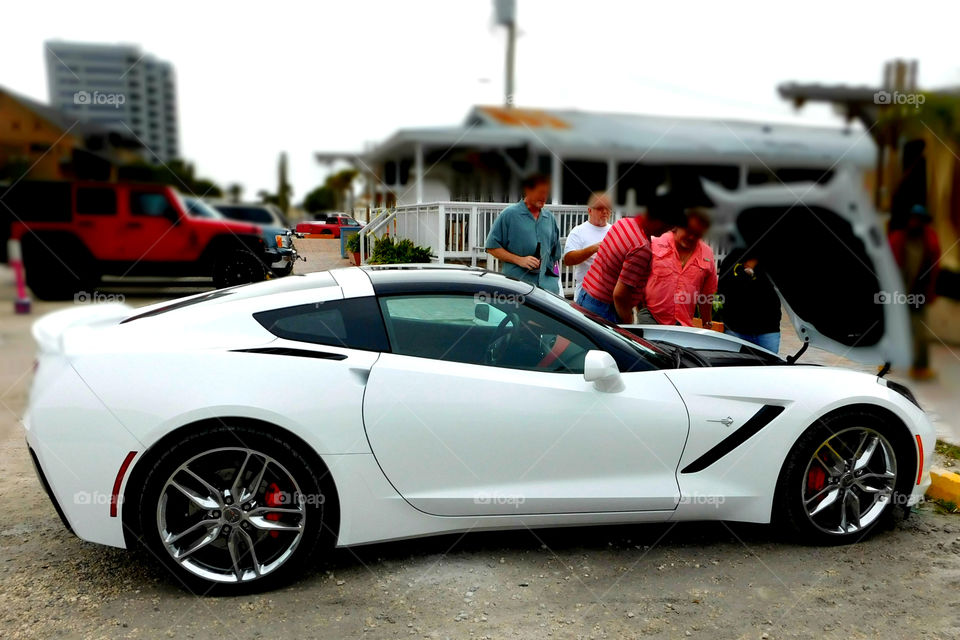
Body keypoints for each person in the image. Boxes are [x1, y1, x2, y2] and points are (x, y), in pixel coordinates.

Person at [576, 205, 679, 323]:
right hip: (604, 309)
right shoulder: (641, 247)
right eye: (668, 225)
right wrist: (629, 322)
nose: (667, 230)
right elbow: (620, 296)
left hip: (585, 296)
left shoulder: (624, 223)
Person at [485, 173, 562, 293]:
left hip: (547, 290)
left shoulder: (550, 218)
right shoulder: (509, 214)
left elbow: (555, 256)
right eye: (540, 192)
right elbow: (491, 247)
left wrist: (555, 280)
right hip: (517, 287)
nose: (544, 197)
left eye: (546, 193)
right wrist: (519, 260)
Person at [888, 204, 941, 380]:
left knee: (920, 332)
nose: (914, 222)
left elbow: (933, 269)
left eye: (918, 219)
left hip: (919, 293)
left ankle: (920, 367)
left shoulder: (930, 242)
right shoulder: (897, 239)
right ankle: (886, 362)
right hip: (898, 293)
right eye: (912, 218)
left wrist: (930, 291)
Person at [642, 208, 718, 327]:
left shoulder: (707, 254)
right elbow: (638, 280)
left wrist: (707, 323)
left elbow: (706, 295)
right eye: (688, 231)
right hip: (651, 317)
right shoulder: (655, 243)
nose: (691, 237)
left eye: (697, 234)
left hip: (683, 326)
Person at [717, 249, 781, 353]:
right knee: (733, 363)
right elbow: (722, 292)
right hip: (735, 330)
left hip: (768, 330)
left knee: (770, 363)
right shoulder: (731, 260)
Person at [563, 191, 612, 300]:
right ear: (590, 210)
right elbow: (568, 260)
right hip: (585, 294)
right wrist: (594, 248)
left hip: (610, 296)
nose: (605, 211)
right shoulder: (578, 231)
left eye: (607, 208)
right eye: (600, 208)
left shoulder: (615, 230)